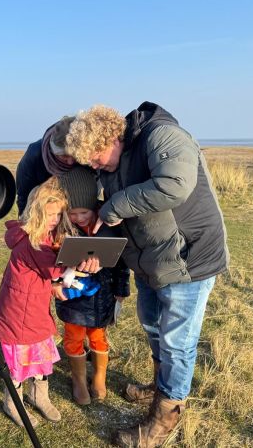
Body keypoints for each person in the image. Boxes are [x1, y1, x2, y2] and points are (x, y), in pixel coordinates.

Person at [65, 103, 229, 447]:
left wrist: (111, 207)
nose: (94, 166)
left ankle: (163, 421)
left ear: (112, 136)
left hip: (189, 259)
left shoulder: (162, 135)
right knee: (153, 327)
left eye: (95, 157)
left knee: (176, 344)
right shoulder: (111, 166)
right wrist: (96, 249)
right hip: (150, 262)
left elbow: (174, 186)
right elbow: (127, 217)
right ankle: (160, 387)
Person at [0, 177, 73, 427]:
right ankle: (12, 402)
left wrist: (53, 286)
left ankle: (38, 396)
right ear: (36, 213)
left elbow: (41, 277)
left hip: (33, 308)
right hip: (19, 314)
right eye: (50, 214)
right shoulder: (30, 243)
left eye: (59, 215)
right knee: (20, 360)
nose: (54, 220)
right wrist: (74, 267)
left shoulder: (43, 238)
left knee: (40, 356)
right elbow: (51, 269)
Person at [54, 167, 130, 406]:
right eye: (72, 213)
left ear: (94, 207)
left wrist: (121, 289)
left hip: (102, 296)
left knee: (98, 336)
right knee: (73, 336)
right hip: (74, 296)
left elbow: (121, 261)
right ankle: (78, 379)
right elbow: (52, 262)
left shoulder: (110, 224)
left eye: (84, 211)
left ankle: (99, 377)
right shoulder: (61, 228)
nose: (79, 217)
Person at [15, 115, 77, 215]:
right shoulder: (34, 154)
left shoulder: (85, 155)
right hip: (43, 213)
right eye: (63, 157)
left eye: (74, 156)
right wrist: (25, 222)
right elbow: (23, 195)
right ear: (53, 151)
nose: (70, 162)